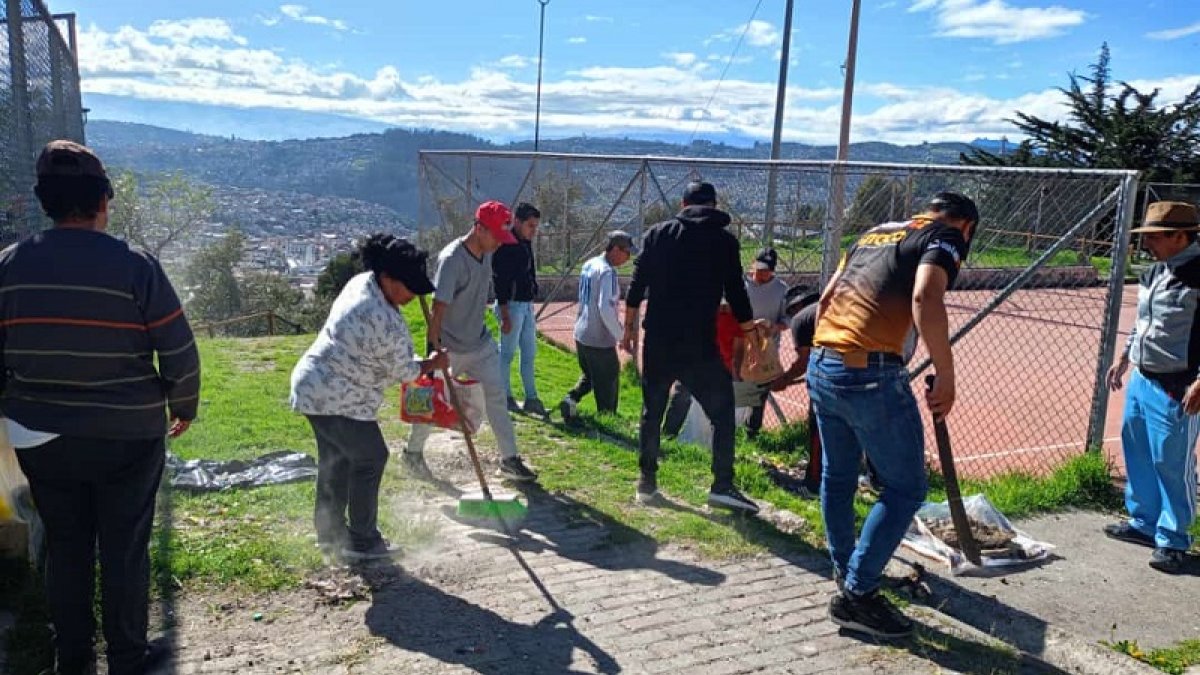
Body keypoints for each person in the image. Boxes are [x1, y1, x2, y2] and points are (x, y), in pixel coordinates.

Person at [0, 140, 200, 675]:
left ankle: (74, 660)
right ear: (104, 200)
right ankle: (129, 658)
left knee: (65, 547)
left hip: (40, 436)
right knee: (123, 548)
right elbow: (179, 349)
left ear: (43, 201)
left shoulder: (10, 267)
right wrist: (183, 404)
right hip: (127, 437)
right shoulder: (135, 266)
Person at [808, 191, 976, 638]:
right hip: (870, 373)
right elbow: (925, 297)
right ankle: (858, 595)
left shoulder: (873, 234)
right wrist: (946, 374)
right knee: (905, 487)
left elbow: (825, 299)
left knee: (839, 476)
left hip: (824, 361)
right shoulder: (944, 235)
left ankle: (848, 573)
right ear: (966, 227)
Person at [290, 234, 449, 561]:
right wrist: (432, 362)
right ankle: (361, 541)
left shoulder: (363, 282)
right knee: (371, 456)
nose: (412, 295)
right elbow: (405, 372)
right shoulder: (378, 316)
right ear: (387, 278)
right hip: (335, 397)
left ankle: (330, 535)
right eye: (409, 286)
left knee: (336, 459)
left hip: (315, 385)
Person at [623, 181, 767, 513]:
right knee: (722, 413)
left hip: (658, 340)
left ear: (683, 203)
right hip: (698, 346)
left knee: (652, 410)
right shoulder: (725, 242)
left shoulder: (658, 234)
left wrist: (630, 328)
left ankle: (646, 483)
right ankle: (721, 485)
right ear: (714, 205)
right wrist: (750, 330)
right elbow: (736, 292)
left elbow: (638, 282)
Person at [406, 200, 538, 482]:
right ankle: (412, 453)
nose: (499, 244)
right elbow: (437, 309)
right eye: (496, 236)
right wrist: (434, 353)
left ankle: (510, 459)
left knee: (496, 397)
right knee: (433, 399)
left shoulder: (488, 250)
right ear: (479, 229)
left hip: (479, 343)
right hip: (449, 347)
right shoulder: (452, 259)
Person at [1104, 201, 1200, 575]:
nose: (1149, 245)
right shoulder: (1153, 272)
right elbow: (1144, 323)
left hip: (1179, 385)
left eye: (1156, 238)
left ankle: (1174, 539)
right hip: (1143, 377)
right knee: (1139, 451)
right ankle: (1144, 522)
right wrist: (1125, 357)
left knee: (1172, 463)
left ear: (1181, 236)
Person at [560, 230, 637, 423]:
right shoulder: (607, 272)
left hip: (582, 334)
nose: (628, 258)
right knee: (609, 379)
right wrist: (621, 335)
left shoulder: (589, 264)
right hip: (598, 339)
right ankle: (608, 420)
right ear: (616, 250)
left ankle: (570, 399)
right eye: (627, 253)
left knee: (590, 375)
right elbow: (605, 308)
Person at [493, 202, 545, 415]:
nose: (533, 231)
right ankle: (504, 396)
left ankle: (531, 397)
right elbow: (500, 281)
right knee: (506, 353)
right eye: (530, 226)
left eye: (535, 226)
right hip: (512, 306)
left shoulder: (525, 242)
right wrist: (504, 313)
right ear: (517, 222)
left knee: (529, 352)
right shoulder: (506, 246)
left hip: (525, 305)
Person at [743, 247, 791, 438]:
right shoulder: (741, 285)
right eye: (759, 269)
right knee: (734, 385)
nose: (762, 274)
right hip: (740, 344)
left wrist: (773, 327)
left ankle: (751, 431)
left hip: (766, 349)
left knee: (759, 391)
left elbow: (787, 318)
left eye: (767, 271)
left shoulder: (781, 289)